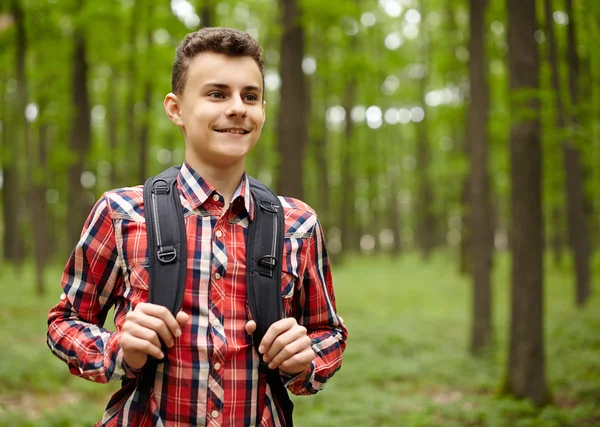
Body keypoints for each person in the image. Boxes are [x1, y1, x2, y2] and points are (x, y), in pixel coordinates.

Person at [46, 27, 348, 426]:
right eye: (217, 93)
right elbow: (64, 323)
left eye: (251, 96)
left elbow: (329, 333)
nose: (238, 107)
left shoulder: (298, 224)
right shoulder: (121, 212)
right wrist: (119, 348)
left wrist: (307, 357)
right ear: (175, 109)